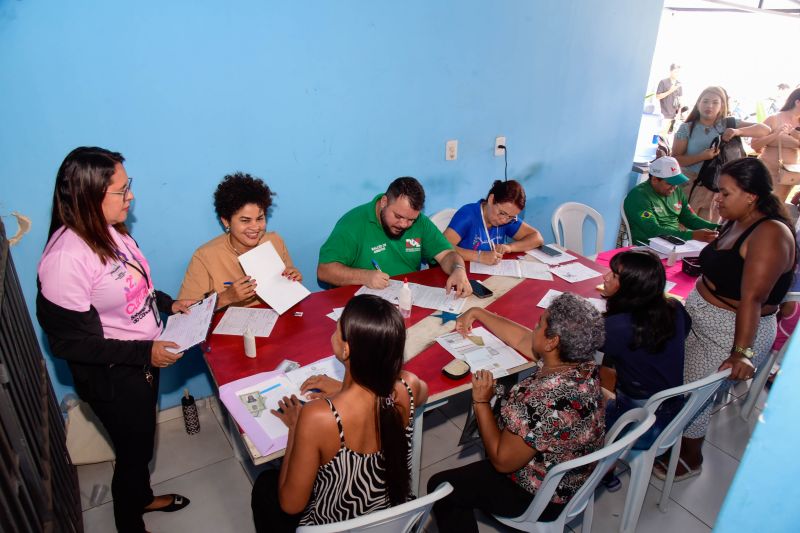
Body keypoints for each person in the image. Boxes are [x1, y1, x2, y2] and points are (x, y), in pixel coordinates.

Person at [36, 147, 194, 533]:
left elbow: (130, 292)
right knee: (132, 452)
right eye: (122, 191)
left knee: (139, 448)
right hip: (115, 376)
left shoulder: (110, 230)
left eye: (129, 187)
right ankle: (130, 521)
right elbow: (69, 344)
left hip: (141, 361)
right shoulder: (64, 261)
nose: (131, 197)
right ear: (90, 196)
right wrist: (146, 353)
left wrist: (170, 304)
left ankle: (141, 497)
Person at [657, 157, 796, 481]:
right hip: (703, 316)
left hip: (730, 330)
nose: (717, 199)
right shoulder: (736, 219)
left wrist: (741, 353)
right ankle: (675, 436)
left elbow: (753, 298)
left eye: (725, 193)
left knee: (696, 396)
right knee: (682, 383)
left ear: (751, 196)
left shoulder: (770, 234)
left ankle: (692, 458)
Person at [428, 293, 605, 532]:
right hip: (575, 479)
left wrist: (481, 402)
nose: (534, 326)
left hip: (541, 496)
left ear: (552, 342)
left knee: (442, 487)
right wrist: (479, 312)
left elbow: (502, 462)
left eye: (540, 323)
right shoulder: (580, 365)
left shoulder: (541, 399)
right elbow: (523, 338)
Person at [250, 294, 428, 531]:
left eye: (337, 329)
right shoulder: (408, 385)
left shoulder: (317, 417)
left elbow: (291, 505)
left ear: (346, 350)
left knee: (265, 485)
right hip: (388, 519)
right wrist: (341, 389)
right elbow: (412, 395)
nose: (332, 332)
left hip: (335, 524)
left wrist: (294, 426)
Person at [598, 250, 691, 490]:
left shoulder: (618, 327)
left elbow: (578, 345)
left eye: (615, 275)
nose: (606, 277)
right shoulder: (673, 307)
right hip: (673, 410)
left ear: (632, 287)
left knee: (580, 400)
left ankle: (602, 470)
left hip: (639, 421)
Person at [317, 176, 471, 296]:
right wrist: (365, 276)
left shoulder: (420, 222)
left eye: (411, 219)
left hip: (407, 297)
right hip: (363, 306)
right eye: (398, 216)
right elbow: (325, 270)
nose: (404, 224)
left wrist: (458, 269)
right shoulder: (353, 223)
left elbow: (447, 255)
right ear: (384, 202)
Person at [178, 172, 301, 309]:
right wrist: (225, 298)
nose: (255, 227)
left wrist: (292, 280)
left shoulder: (274, 241)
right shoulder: (205, 256)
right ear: (226, 221)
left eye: (260, 218)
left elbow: (287, 295)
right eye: (245, 220)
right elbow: (185, 313)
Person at [673, 86, 771, 221]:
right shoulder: (687, 128)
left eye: (715, 102)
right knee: (681, 225)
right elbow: (676, 159)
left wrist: (738, 132)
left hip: (717, 187)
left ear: (722, 105)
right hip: (689, 184)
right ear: (698, 103)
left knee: (708, 228)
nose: (709, 106)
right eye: (705, 101)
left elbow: (765, 129)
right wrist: (701, 157)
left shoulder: (729, 123)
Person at [444, 179, 544, 265]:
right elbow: (442, 247)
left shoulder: (507, 220)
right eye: (502, 213)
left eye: (511, 217)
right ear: (491, 199)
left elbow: (537, 238)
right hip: (463, 275)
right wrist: (480, 256)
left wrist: (509, 247)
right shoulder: (468, 215)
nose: (504, 220)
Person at [624, 156, 719, 245]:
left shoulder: (676, 191)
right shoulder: (639, 196)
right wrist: (691, 235)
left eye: (676, 183)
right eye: (670, 183)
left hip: (674, 242)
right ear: (654, 179)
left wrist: (717, 228)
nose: (674, 188)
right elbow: (653, 230)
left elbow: (689, 218)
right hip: (648, 246)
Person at [750, 87, 800, 203]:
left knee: (777, 206)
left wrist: (795, 136)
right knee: (758, 204)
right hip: (767, 170)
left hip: (789, 174)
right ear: (797, 102)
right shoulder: (774, 119)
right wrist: (776, 134)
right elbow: (755, 144)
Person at [656, 64, 683, 135]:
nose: (677, 74)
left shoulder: (679, 84)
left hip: (674, 115)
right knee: (660, 135)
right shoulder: (663, 82)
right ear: (670, 71)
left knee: (667, 137)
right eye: (675, 71)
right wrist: (670, 91)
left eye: (678, 72)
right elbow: (658, 96)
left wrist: (679, 113)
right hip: (664, 114)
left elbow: (680, 99)